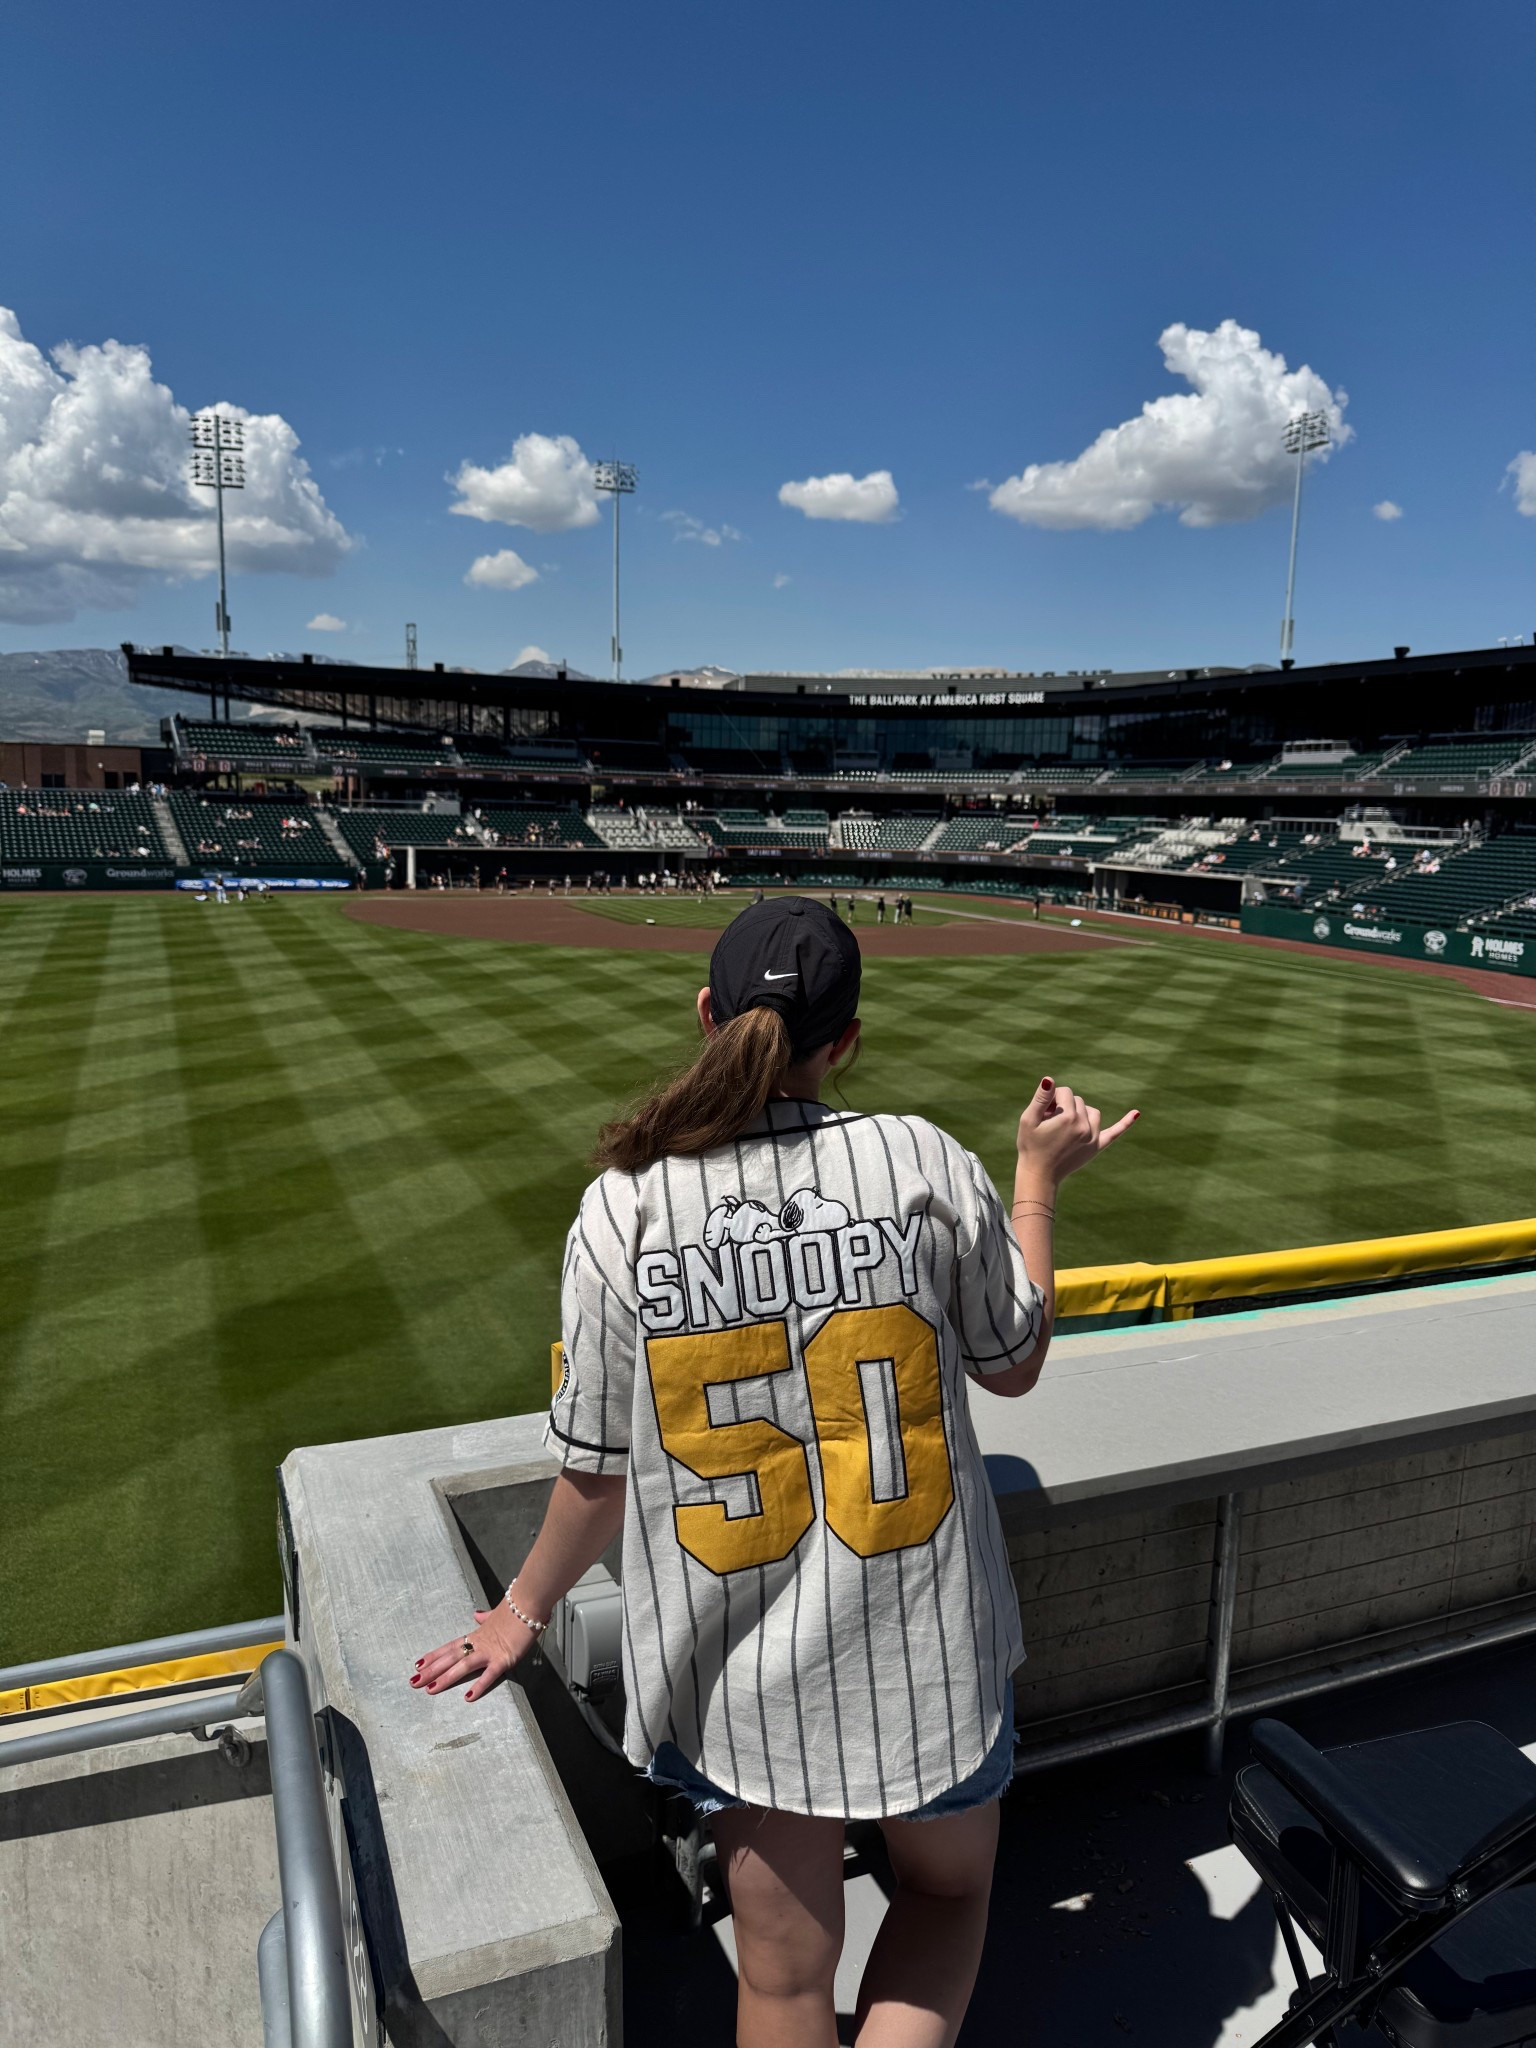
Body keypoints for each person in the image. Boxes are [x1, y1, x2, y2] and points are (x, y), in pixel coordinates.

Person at [412, 897, 1137, 2048]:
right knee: (945, 1895)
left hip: (748, 1687)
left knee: (785, 1981)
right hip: (930, 1659)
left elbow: (595, 1470)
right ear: (845, 1040)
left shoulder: (624, 1204)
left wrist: (519, 1609)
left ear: (709, 1015)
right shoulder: (920, 1155)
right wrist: (1040, 1178)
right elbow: (1016, 1357)